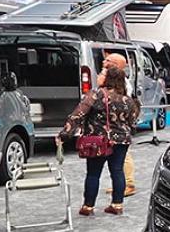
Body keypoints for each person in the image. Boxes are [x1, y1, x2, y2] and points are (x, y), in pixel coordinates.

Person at [59, 66, 140, 216]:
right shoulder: (127, 100)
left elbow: (78, 114)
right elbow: (133, 122)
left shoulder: (96, 95)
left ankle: (88, 207)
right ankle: (117, 205)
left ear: (108, 78)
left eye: (102, 73)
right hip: (121, 141)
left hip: (97, 141)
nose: (99, 75)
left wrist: (65, 134)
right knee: (117, 171)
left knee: (93, 173)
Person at [100, 53, 137, 197]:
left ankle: (129, 184)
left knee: (124, 156)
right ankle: (121, 184)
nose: (104, 62)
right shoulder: (119, 80)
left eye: (108, 60)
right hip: (116, 125)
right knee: (119, 159)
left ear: (115, 64)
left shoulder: (122, 82)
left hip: (119, 126)